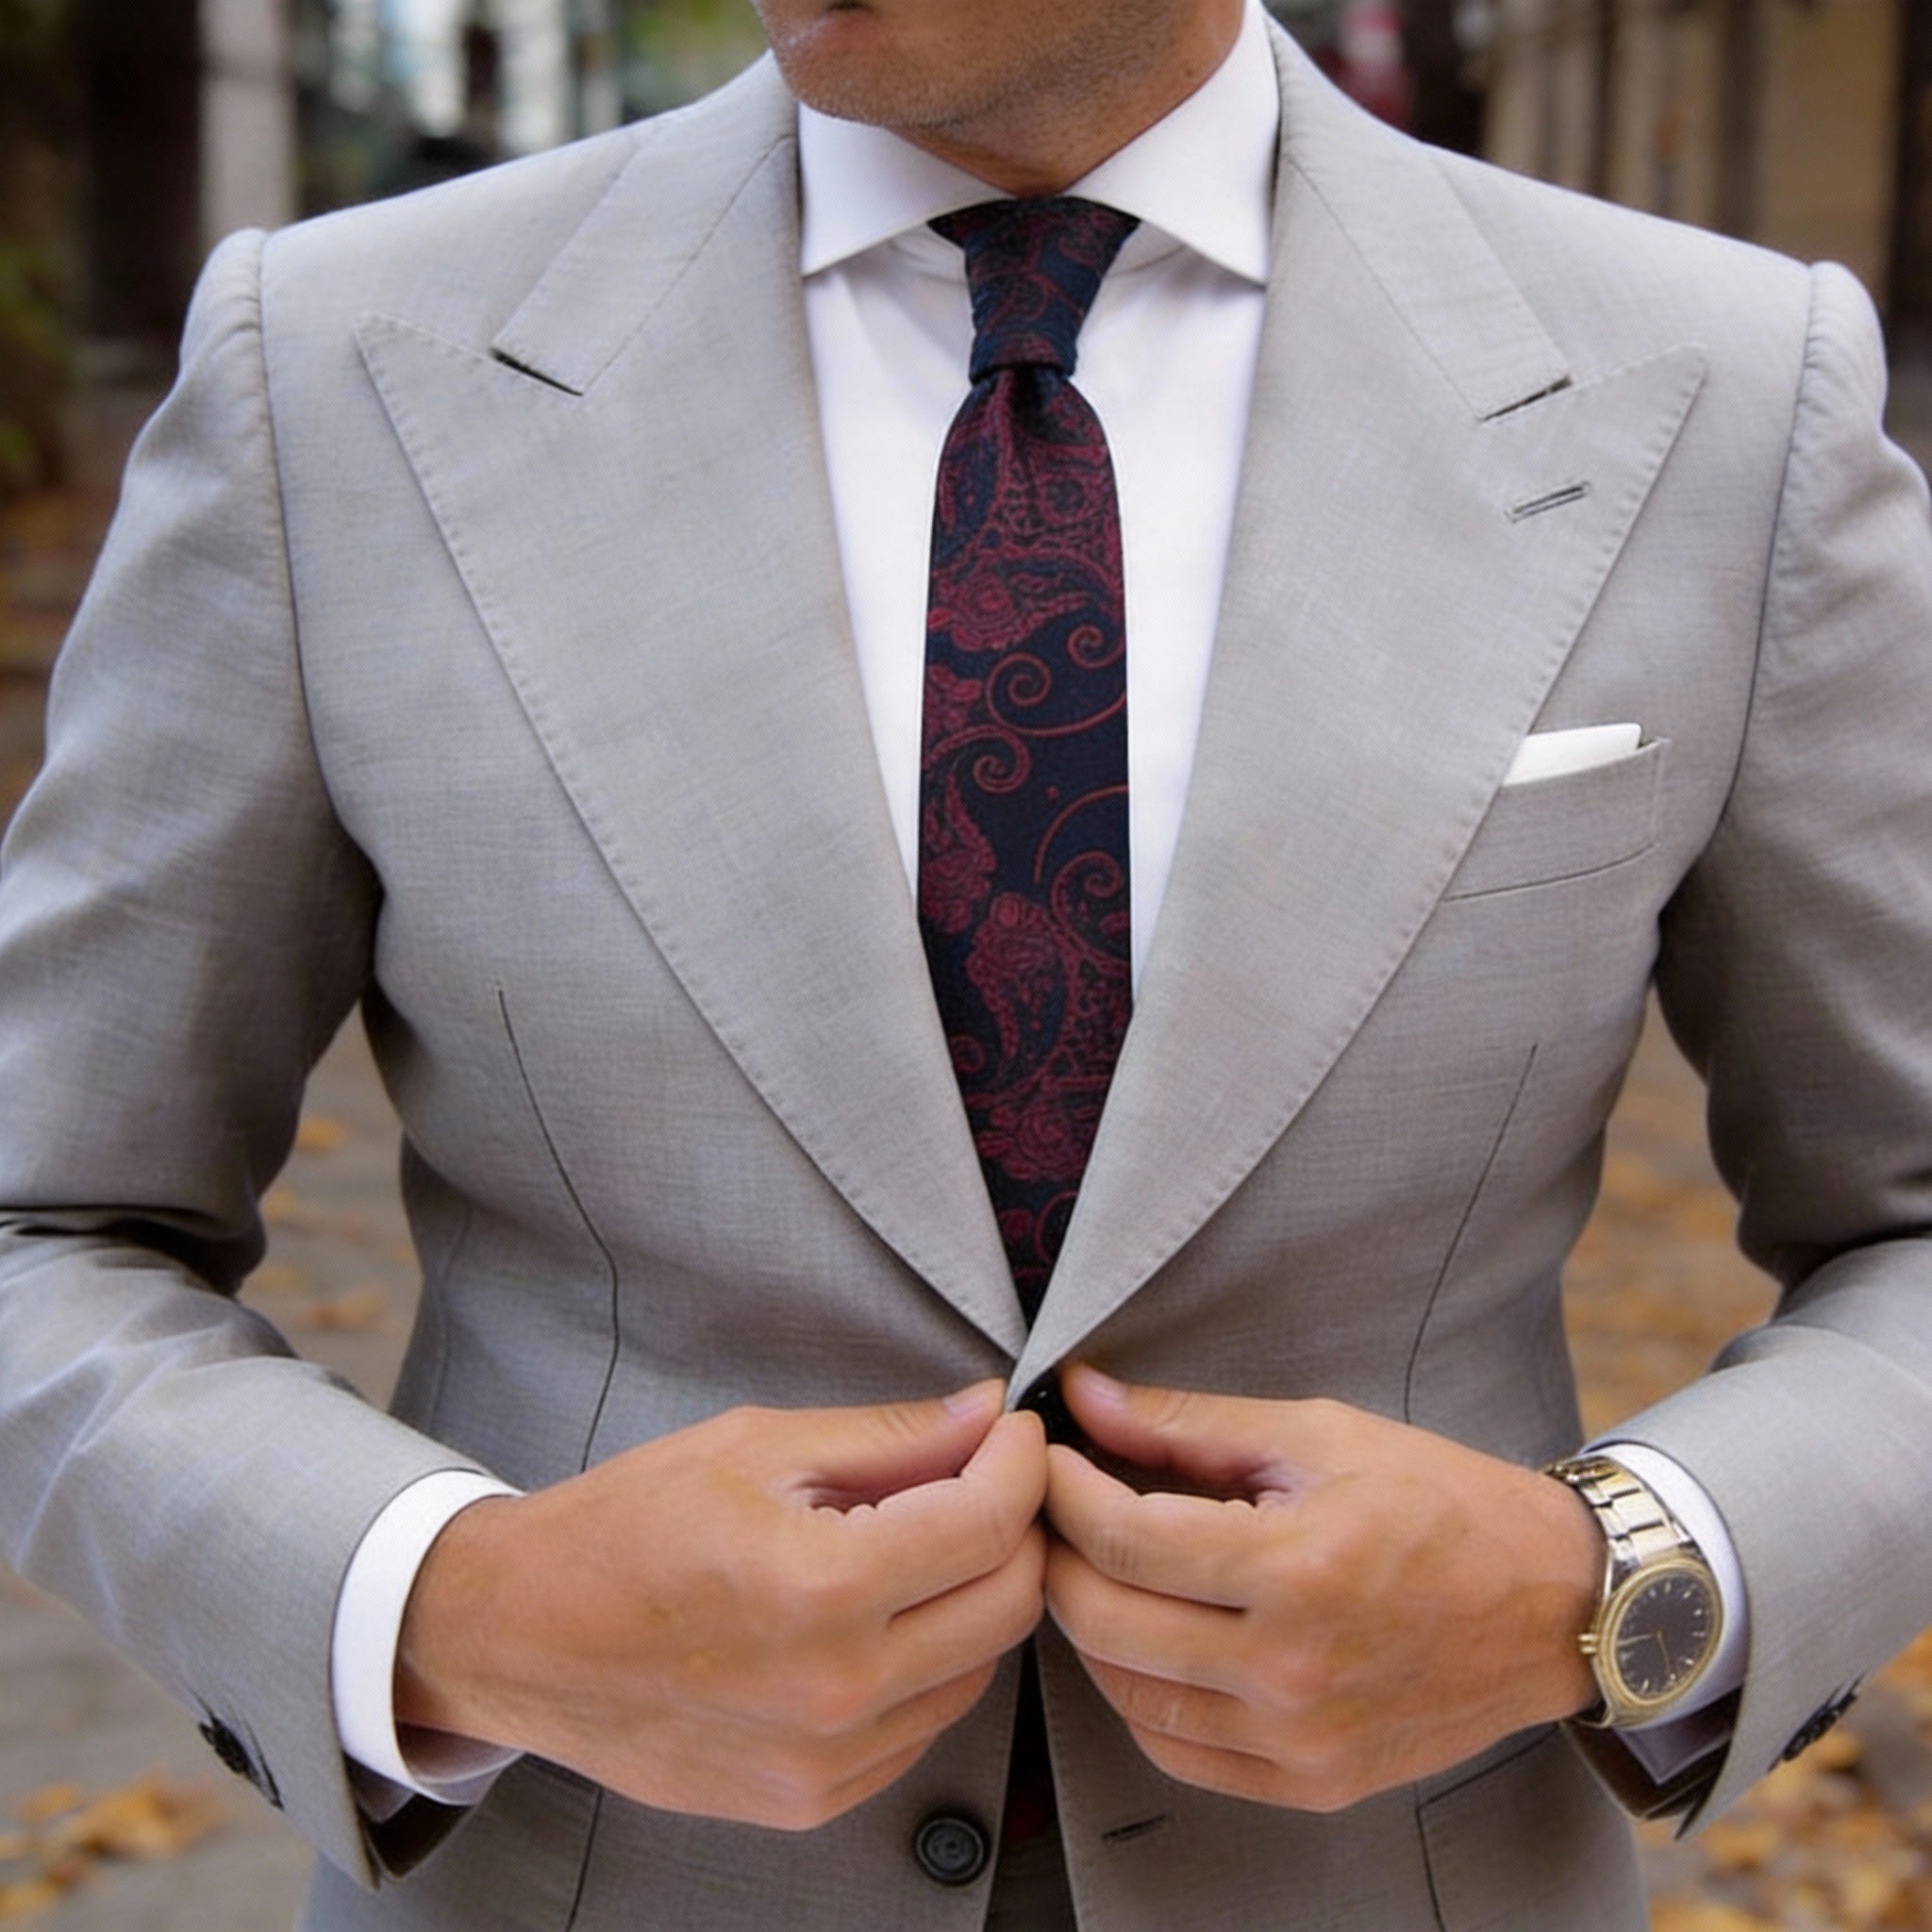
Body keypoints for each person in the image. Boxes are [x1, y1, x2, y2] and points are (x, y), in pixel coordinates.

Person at [2, 0, 1929, 1924]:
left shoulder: (1727, 390)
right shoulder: (332, 366)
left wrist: (1607, 1584)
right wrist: (456, 1611)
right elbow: (47, 1225)